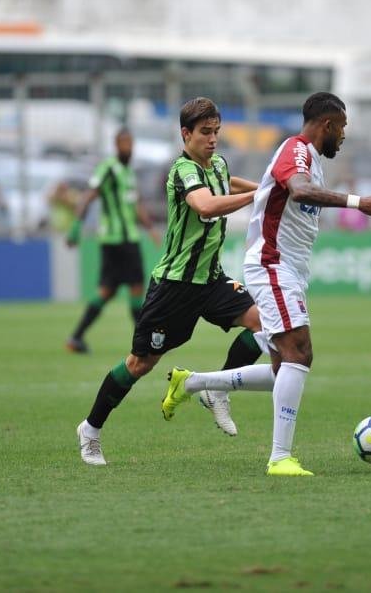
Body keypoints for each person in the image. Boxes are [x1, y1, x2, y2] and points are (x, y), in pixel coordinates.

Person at [160, 92, 371, 476]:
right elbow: (299, 189)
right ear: (328, 125)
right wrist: (357, 202)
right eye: (343, 128)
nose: (344, 136)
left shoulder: (311, 159)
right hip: (273, 264)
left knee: (282, 368)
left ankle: (196, 383)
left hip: (287, 268)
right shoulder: (297, 150)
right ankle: (280, 457)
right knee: (299, 354)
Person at [76, 98, 270, 466]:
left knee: (264, 322)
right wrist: (262, 195)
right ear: (186, 134)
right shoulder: (182, 170)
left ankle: (216, 390)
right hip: (174, 287)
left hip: (211, 281)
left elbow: (229, 180)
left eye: (216, 132)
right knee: (140, 364)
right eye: (204, 133)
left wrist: (271, 186)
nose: (212, 139)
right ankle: (90, 429)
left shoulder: (217, 165)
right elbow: (206, 206)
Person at [65, 129, 161, 354]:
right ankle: (143, 341)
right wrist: (77, 227)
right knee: (136, 288)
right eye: (124, 143)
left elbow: (134, 204)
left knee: (107, 290)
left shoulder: (128, 171)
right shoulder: (108, 168)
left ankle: (76, 337)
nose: (128, 148)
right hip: (116, 239)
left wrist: (149, 228)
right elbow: (88, 195)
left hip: (128, 237)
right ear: (116, 145)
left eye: (131, 143)